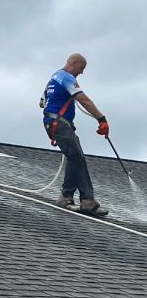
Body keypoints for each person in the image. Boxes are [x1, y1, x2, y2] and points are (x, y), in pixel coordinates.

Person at [40, 53, 109, 217]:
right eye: (81, 68)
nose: (82, 72)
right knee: (76, 157)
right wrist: (102, 119)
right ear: (74, 63)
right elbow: (84, 100)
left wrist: (63, 99)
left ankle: (66, 197)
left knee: (75, 157)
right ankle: (87, 202)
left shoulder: (53, 78)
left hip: (54, 123)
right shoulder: (66, 78)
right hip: (59, 123)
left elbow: (42, 102)